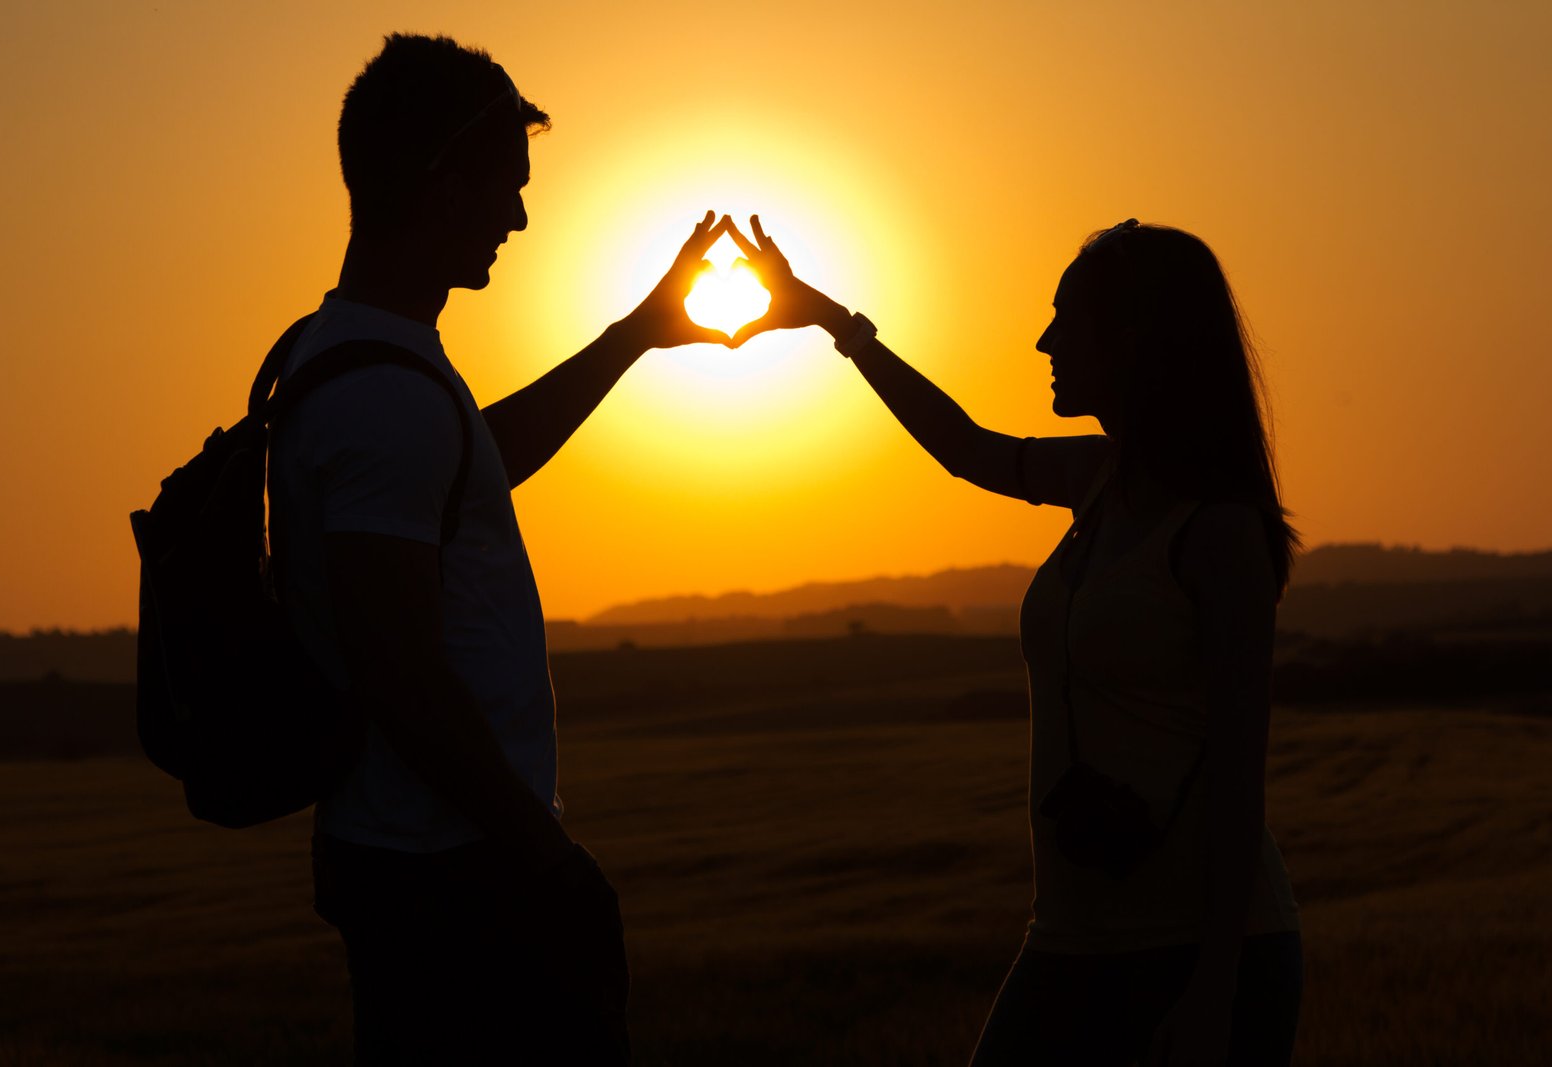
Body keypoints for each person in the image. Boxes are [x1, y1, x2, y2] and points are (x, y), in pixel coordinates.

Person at [725, 216, 1303, 1065]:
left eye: (1068, 319)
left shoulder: (1217, 534)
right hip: (1071, 938)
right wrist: (830, 321)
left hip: (1202, 952)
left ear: (1137, 338)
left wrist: (1215, 985)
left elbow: (1239, 773)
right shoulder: (1098, 479)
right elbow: (963, 448)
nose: (1044, 340)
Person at [267, 34, 731, 1065]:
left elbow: (477, 459)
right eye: (505, 189)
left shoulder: (355, 356)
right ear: (441, 182)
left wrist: (637, 332)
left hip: (413, 856)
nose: (518, 220)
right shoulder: (385, 392)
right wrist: (544, 853)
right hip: (449, 871)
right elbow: (399, 671)